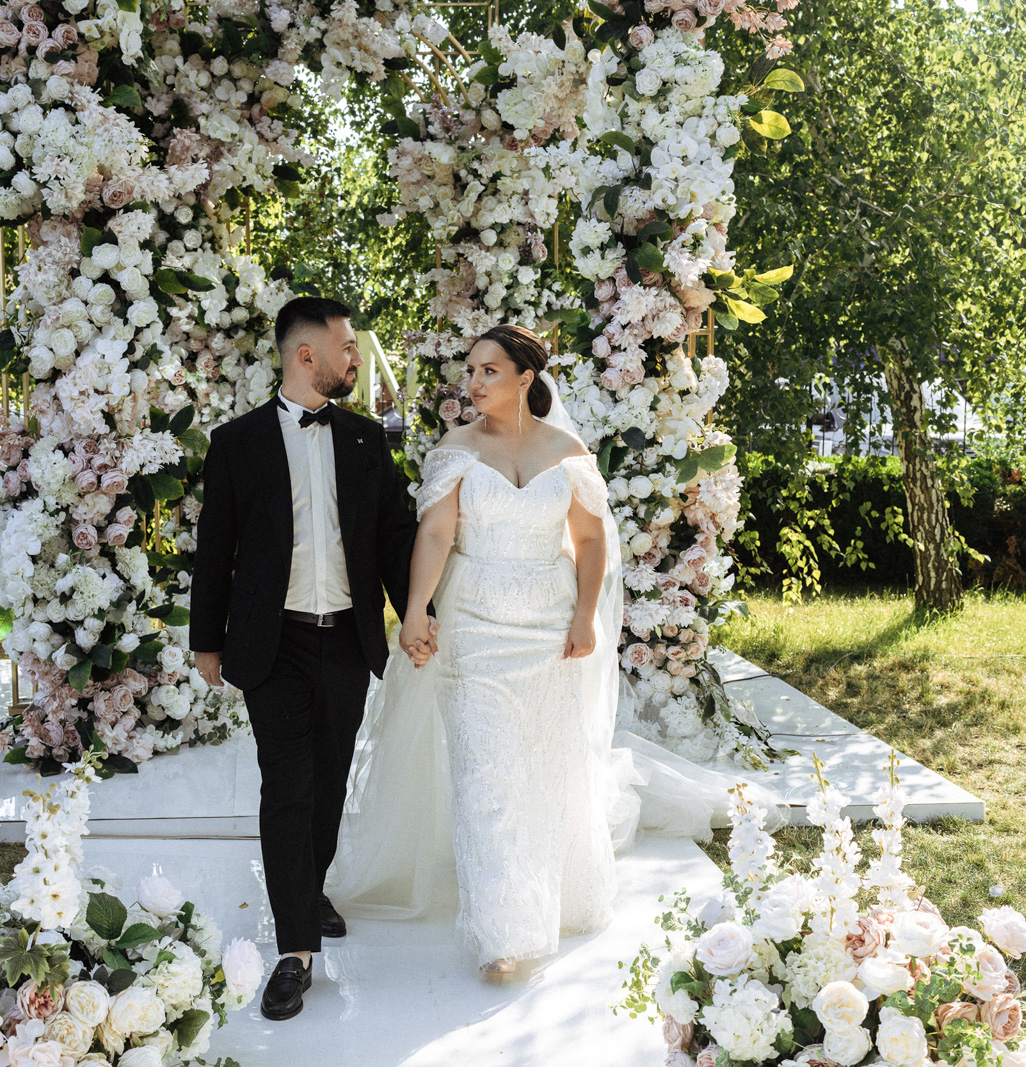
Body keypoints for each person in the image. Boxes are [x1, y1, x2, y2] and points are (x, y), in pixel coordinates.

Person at [328, 324, 751, 977]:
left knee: (544, 765)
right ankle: (505, 933)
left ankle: (557, 892)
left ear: (525, 378)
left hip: (549, 627)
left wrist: (585, 616)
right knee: (486, 771)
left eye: (488, 371)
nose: (473, 383)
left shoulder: (567, 451)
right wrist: (415, 610)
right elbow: (435, 535)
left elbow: (591, 540)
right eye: (470, 370)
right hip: (473, 625)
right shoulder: (456, 450)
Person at [189, 296, 421, 1020]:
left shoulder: (366, 439)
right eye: (347, 347)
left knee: (327, 782)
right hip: (274, 642)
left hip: (347, 638)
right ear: (306, 355)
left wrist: (420, 614)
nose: (356, 358)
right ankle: (294, 953)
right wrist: (206, 640)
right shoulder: (237, 443)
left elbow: (394, 537)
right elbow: (215, 549)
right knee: (287, 786)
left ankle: (307, 885)